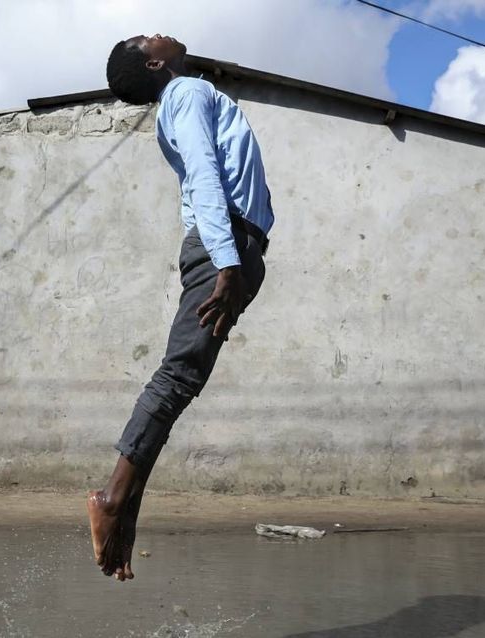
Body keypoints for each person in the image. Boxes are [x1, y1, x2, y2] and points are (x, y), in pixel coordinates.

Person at [87, 34, 274, 582]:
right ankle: (112, 500)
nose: (158, 29)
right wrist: (228, 260)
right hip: (226, 249)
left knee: (182, 383)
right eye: (146, 36)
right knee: (176, 377)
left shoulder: (186, 95)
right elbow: (204, 171)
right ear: (154, 61)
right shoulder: (188, 91)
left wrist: (240, 255)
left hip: (234, 247)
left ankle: (124, 516)